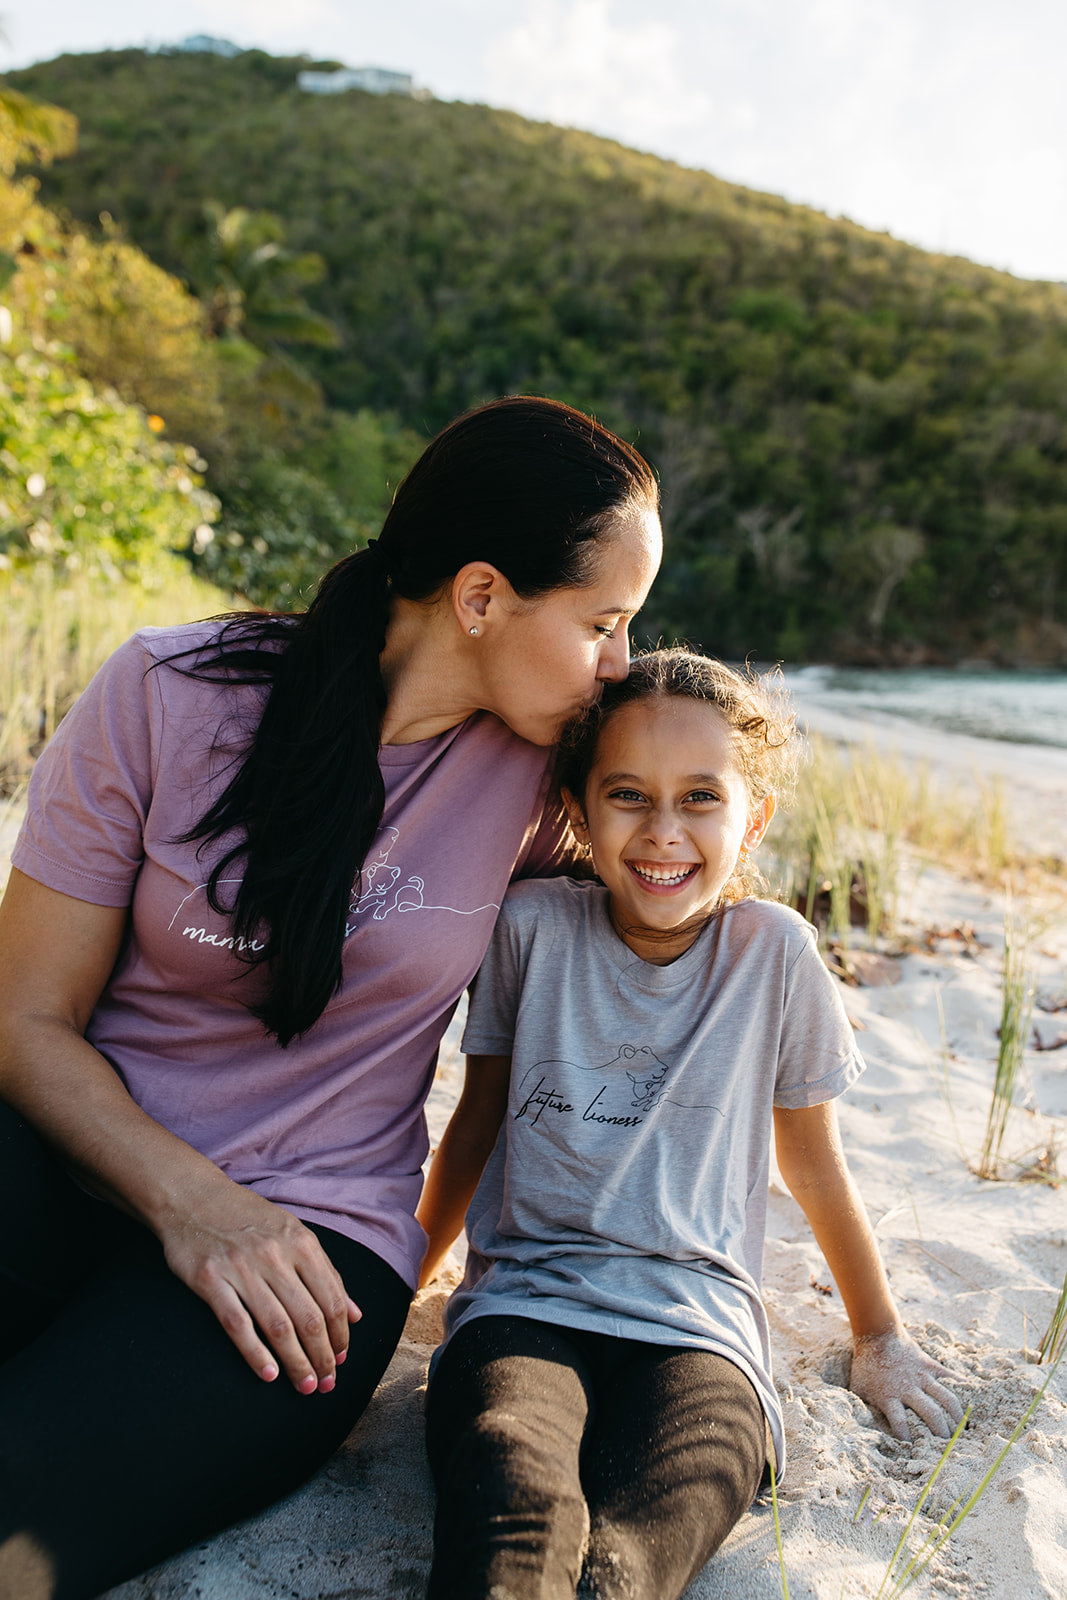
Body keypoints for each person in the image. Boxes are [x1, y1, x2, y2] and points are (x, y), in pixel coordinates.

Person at [0, 395, 662, 1600]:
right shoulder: (167, 695)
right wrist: (193, 1202)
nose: (617, 660)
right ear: (478, 597)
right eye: (602, 622)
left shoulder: (550, 777)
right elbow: (21, 1020)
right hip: (63, 1159)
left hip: (311, 1253)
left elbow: (685, 879)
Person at [417, 647, 963, 1600]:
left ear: (754, 818)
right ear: (579, 813)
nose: (661, 832)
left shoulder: (776, 956)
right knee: (512, 1504)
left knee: (634, 1557)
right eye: (627, 795)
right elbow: (474, 1125)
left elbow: (815, 1166)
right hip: (524, 1307)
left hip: (699, 1329)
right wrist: (406, 1288)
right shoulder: (530, 929)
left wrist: (877, 1335)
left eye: (700, 798)